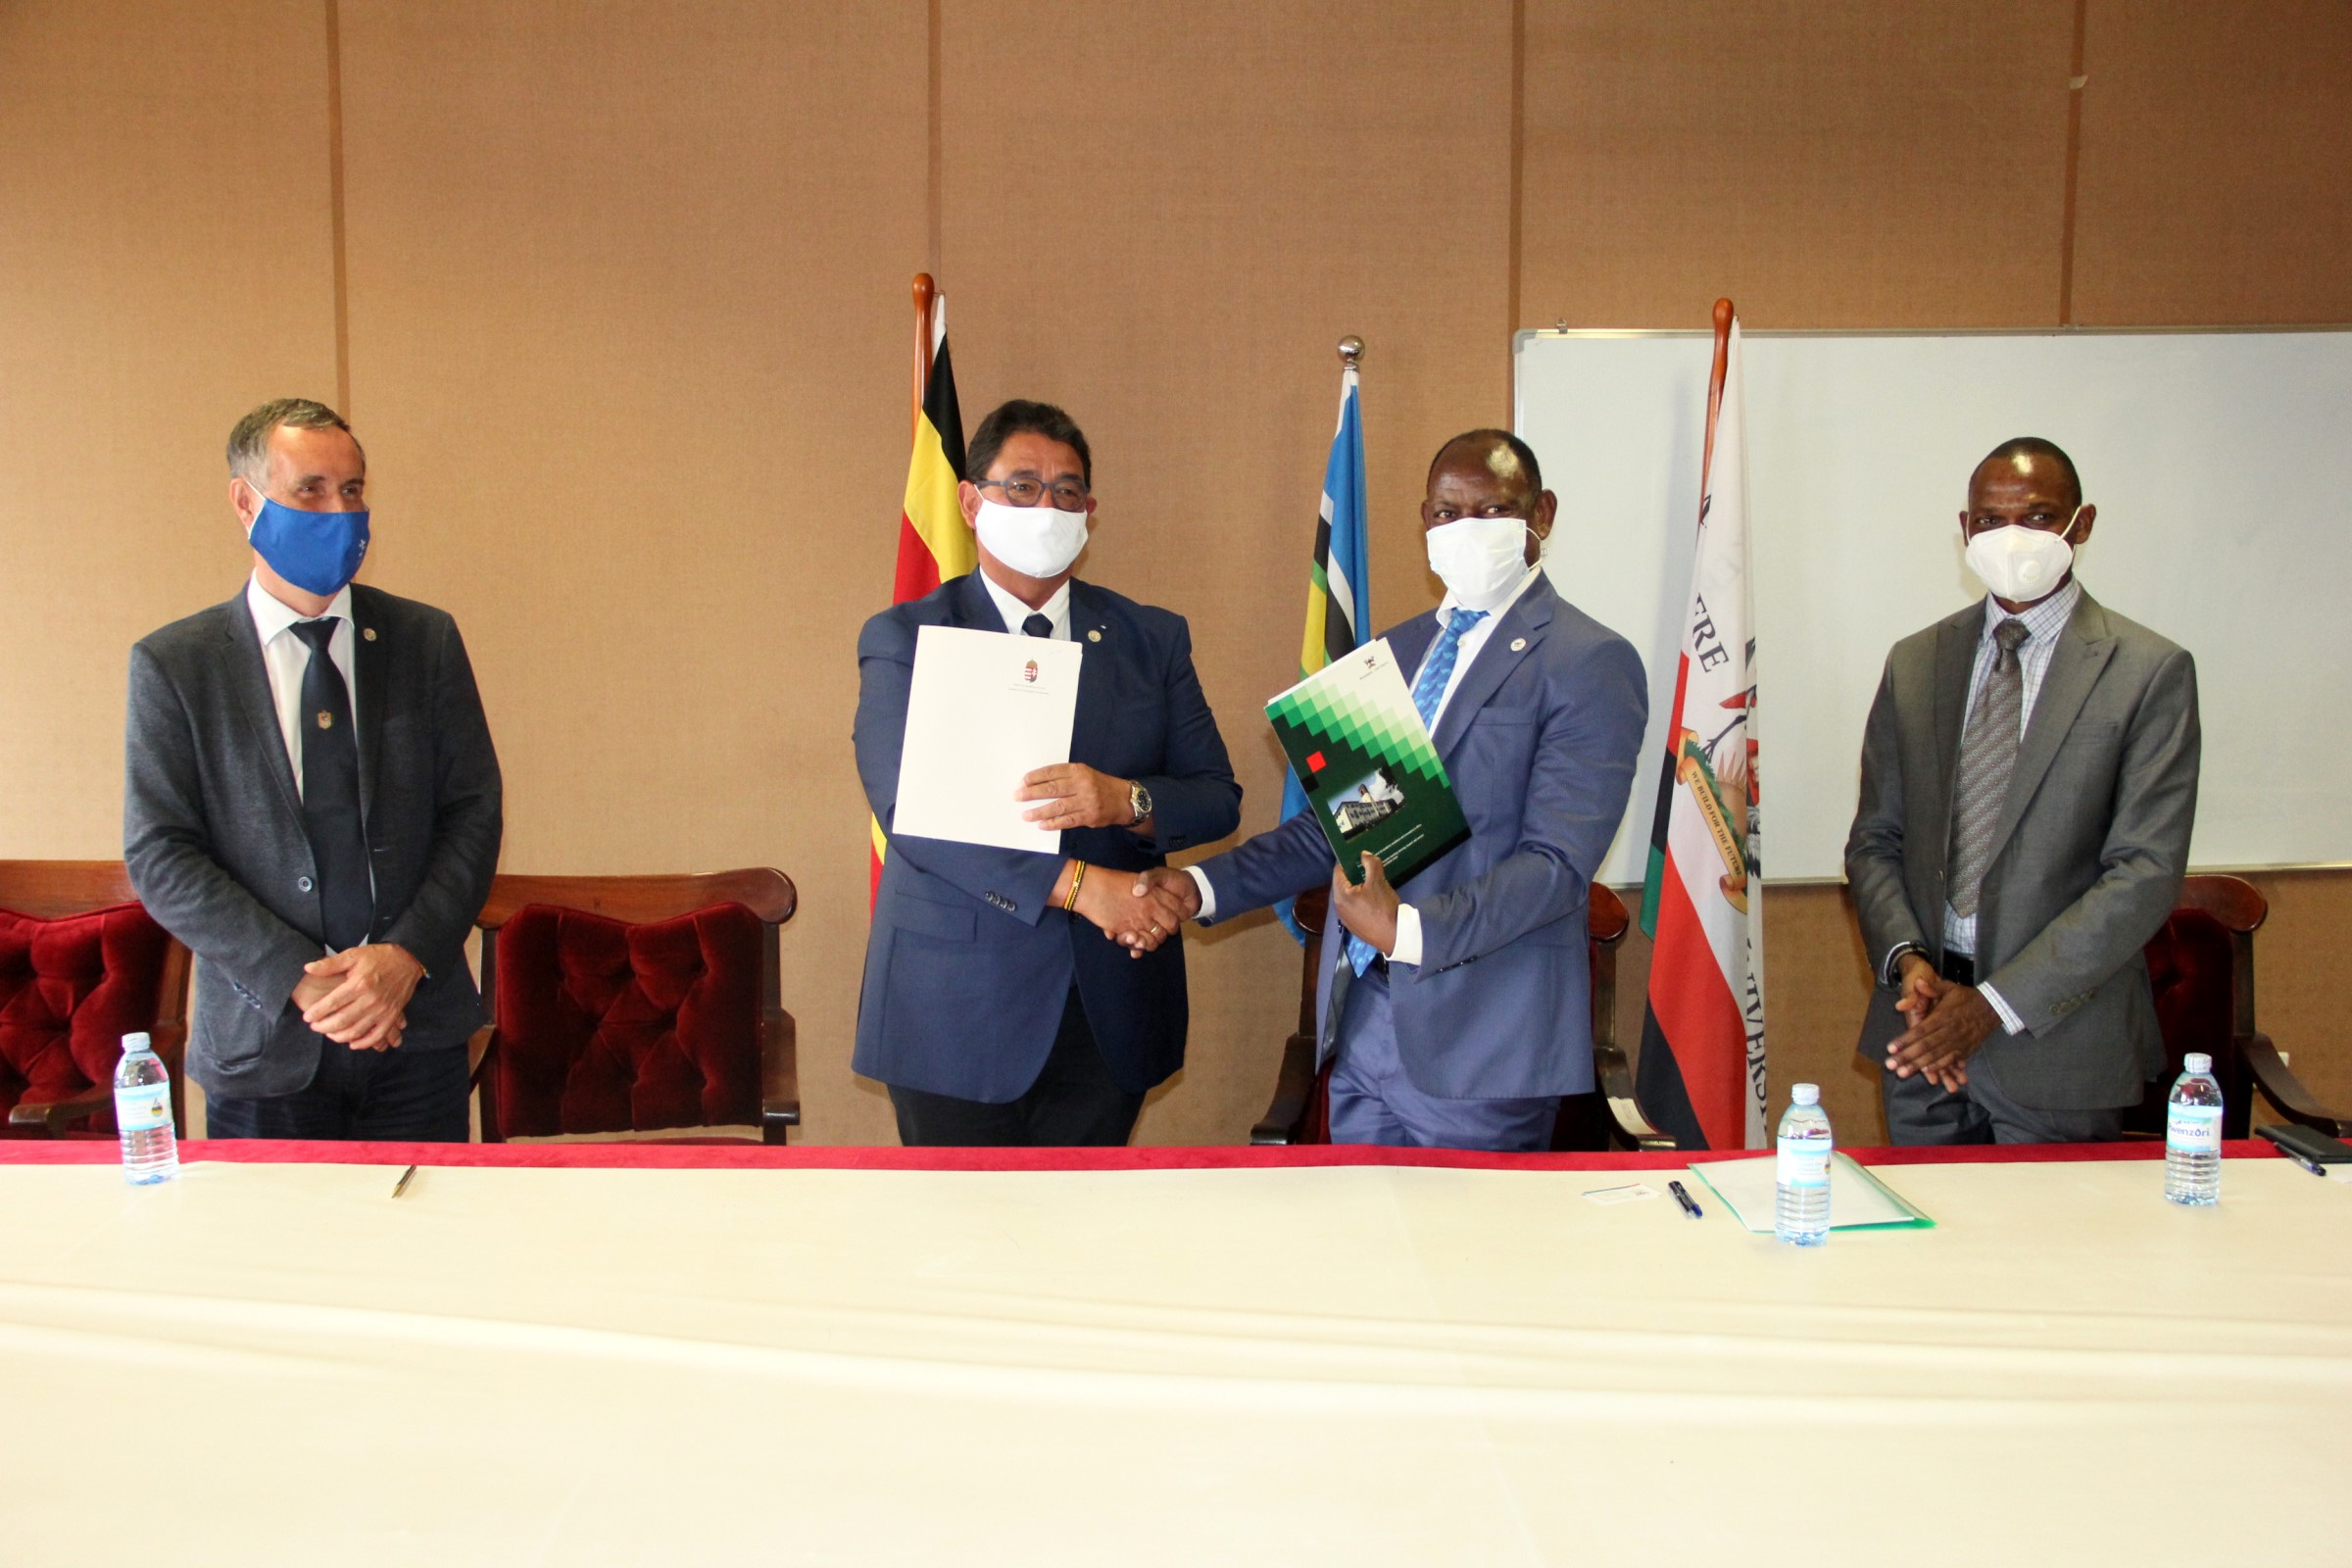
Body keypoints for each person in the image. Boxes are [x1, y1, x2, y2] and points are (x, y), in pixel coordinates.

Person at [1139, 430, 1646, 1151]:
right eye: (1445, 513)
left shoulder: (1590, 661)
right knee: (1365, 1253)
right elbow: (1337, 827)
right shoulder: (1399, 652)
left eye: (1492, 508)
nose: (1465, 529)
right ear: (1424, 522)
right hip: (1363, 1028)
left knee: (1458, 1260)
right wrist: (1198, 888)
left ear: (1543, 514)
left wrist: (1405, 930)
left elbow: (1556, 867)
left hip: (1483, 1049)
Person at [853, 399, 1240, 1147]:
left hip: (1109, 1004)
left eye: (1067, 491)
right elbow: (911, 810)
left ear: (1090, 512)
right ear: (970, 501)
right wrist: (1076, 887)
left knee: (1080, 1248)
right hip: (953, 1009)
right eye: (1021, 485)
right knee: (959, 1249)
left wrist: (1124, 800)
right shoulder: (909, 637)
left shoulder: (1150, 639)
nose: (1046, 506)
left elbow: (1215, 799)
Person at [123, 398, 503, 1141]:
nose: (340, 511)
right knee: (273, 1257)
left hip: (415, 1034)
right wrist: (299, 979)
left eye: (353, 490)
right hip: (265, 1048)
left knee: (423, 1255)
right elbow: (160, 853)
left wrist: (405, 959)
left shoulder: (423, 640)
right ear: (246, 501)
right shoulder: (176, 665)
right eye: (311, 491)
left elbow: (473, 813)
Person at [1845, 436, 2200, 1144]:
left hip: (2058, 1046)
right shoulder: (1917, 662)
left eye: (2038, 518)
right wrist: (1909, 963)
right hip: (1920, 1029)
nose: (2011, 538)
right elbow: (1875, 840)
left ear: (2082, 524)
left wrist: (1993, 1007)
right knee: (1925, 1247)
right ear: (1966, 528)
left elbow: (2144, 873)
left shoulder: (2148, 671)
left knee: (2047, 1253)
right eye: (1989, 520)